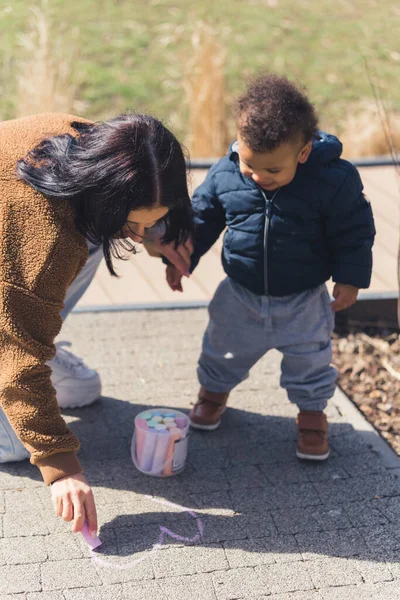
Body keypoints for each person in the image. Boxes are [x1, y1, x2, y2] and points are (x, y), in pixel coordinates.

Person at [0, 111, 193, 537]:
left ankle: (31, 339)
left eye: (151, 221)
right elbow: (18, 361)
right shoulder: (43, 239)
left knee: (81, 390)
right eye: (136, 222)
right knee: (18, 444)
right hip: (12, 274)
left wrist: (161, 231)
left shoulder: (102, 148)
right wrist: (61, 467)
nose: (141, 237)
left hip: (14, 275)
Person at [166, 73, 375, 461]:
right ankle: (212, 394)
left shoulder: (332, 181)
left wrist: (350, 278)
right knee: (221, 350)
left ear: (303, 153)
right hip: (240, 293)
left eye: (273, 171)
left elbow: (354, 230)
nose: (259, 177)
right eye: (249, 165)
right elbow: (204, 216)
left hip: (303, 298)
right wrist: (183, 257)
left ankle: (312, 414)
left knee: (311, 360)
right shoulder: (227, 171)